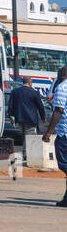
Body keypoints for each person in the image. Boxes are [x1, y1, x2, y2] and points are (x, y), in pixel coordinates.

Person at [45, 66, 67, 207]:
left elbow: (59, 110)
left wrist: (48, 132)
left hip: (64, 133)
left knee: (64, 164)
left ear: (62, 75)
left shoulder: (62, 88)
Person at [8, 78, 47, 144]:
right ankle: (26, 153)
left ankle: (24, 152)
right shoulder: (34, 93)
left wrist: (11, 116)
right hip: (31, 119)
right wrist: (43, 117)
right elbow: (40, 107)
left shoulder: (15, 92)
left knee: (24, 137)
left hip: (19, 118)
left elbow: (11, 105)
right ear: (30, 83)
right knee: (30, 138)